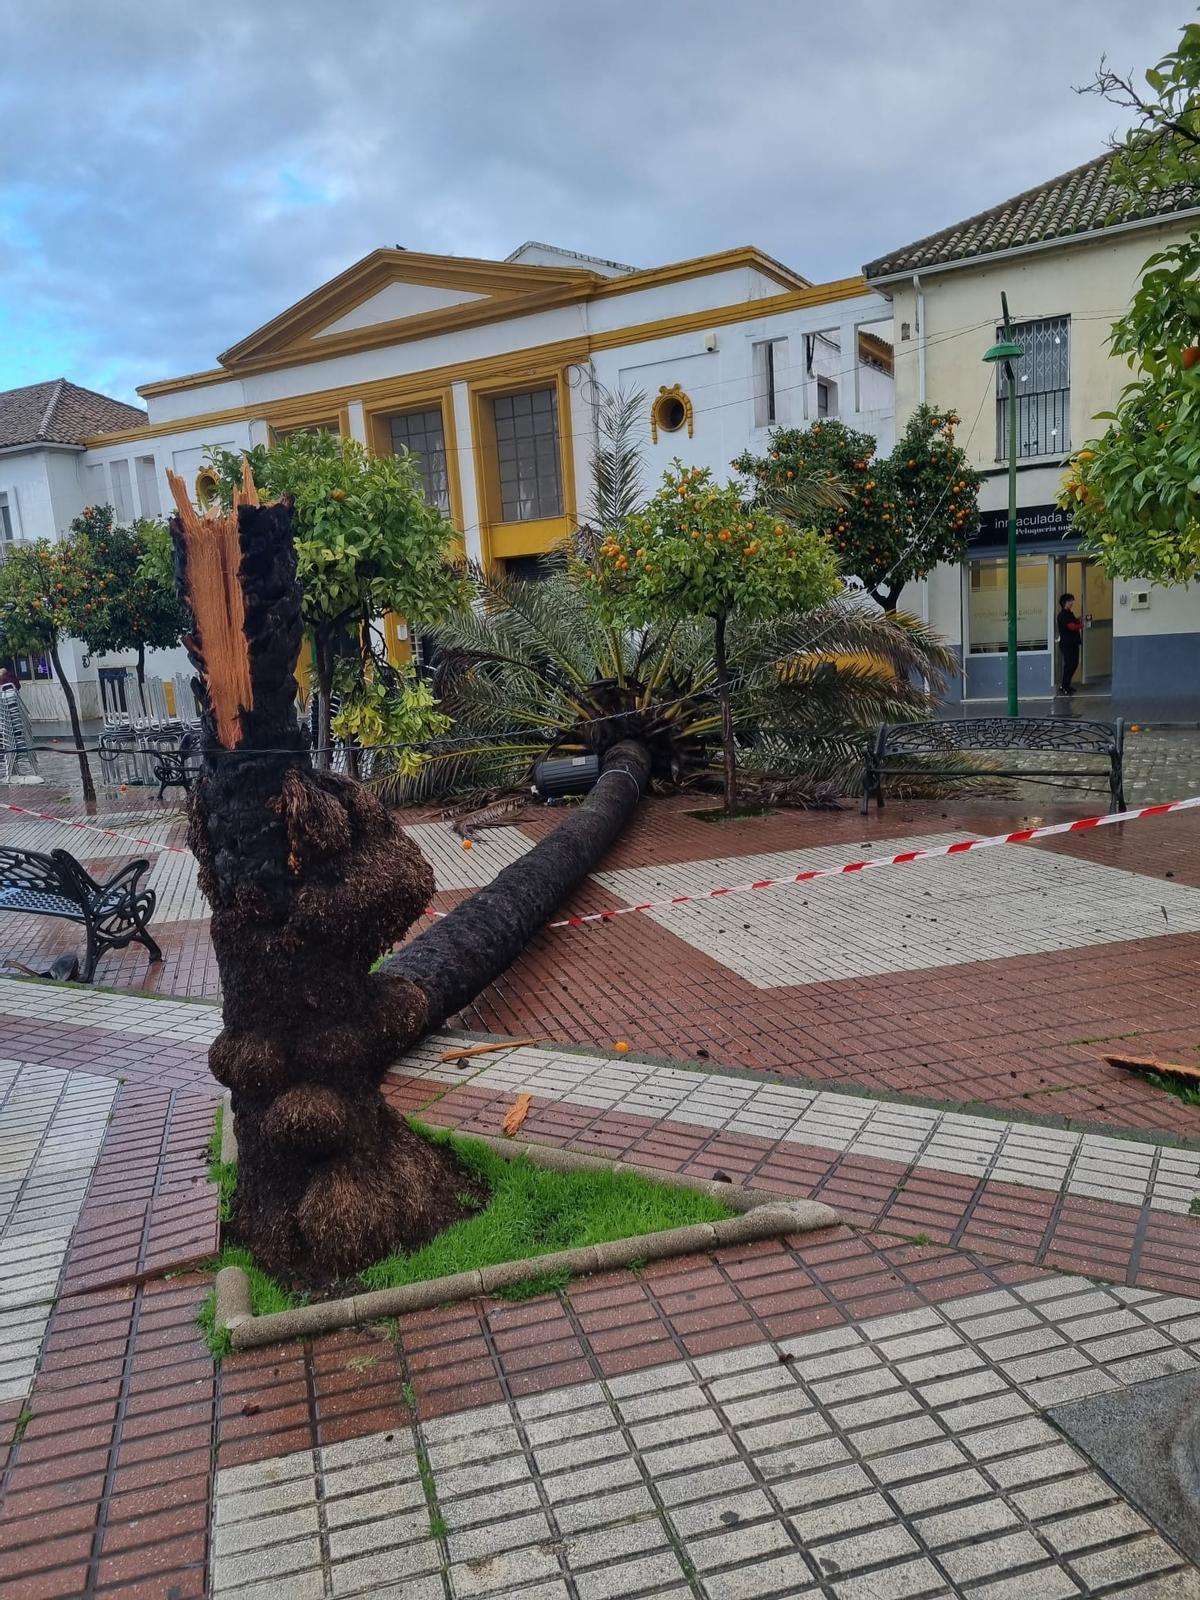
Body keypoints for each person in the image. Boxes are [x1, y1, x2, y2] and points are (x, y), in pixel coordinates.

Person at [1057, 593, 1082, 694]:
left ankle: (1067, 685)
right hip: (1067, 644)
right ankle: (1064, 686)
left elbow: (1074, 622)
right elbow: (1071, 626)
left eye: (1072, 601)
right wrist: (1081, 625)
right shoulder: (1063, 615)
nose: (1072, 603)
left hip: (1073, 643)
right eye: (1069, 601)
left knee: (1074, 663)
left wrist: (1080, 620)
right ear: (1064, 603)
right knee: (1069, 664)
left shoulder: (1069, 614)